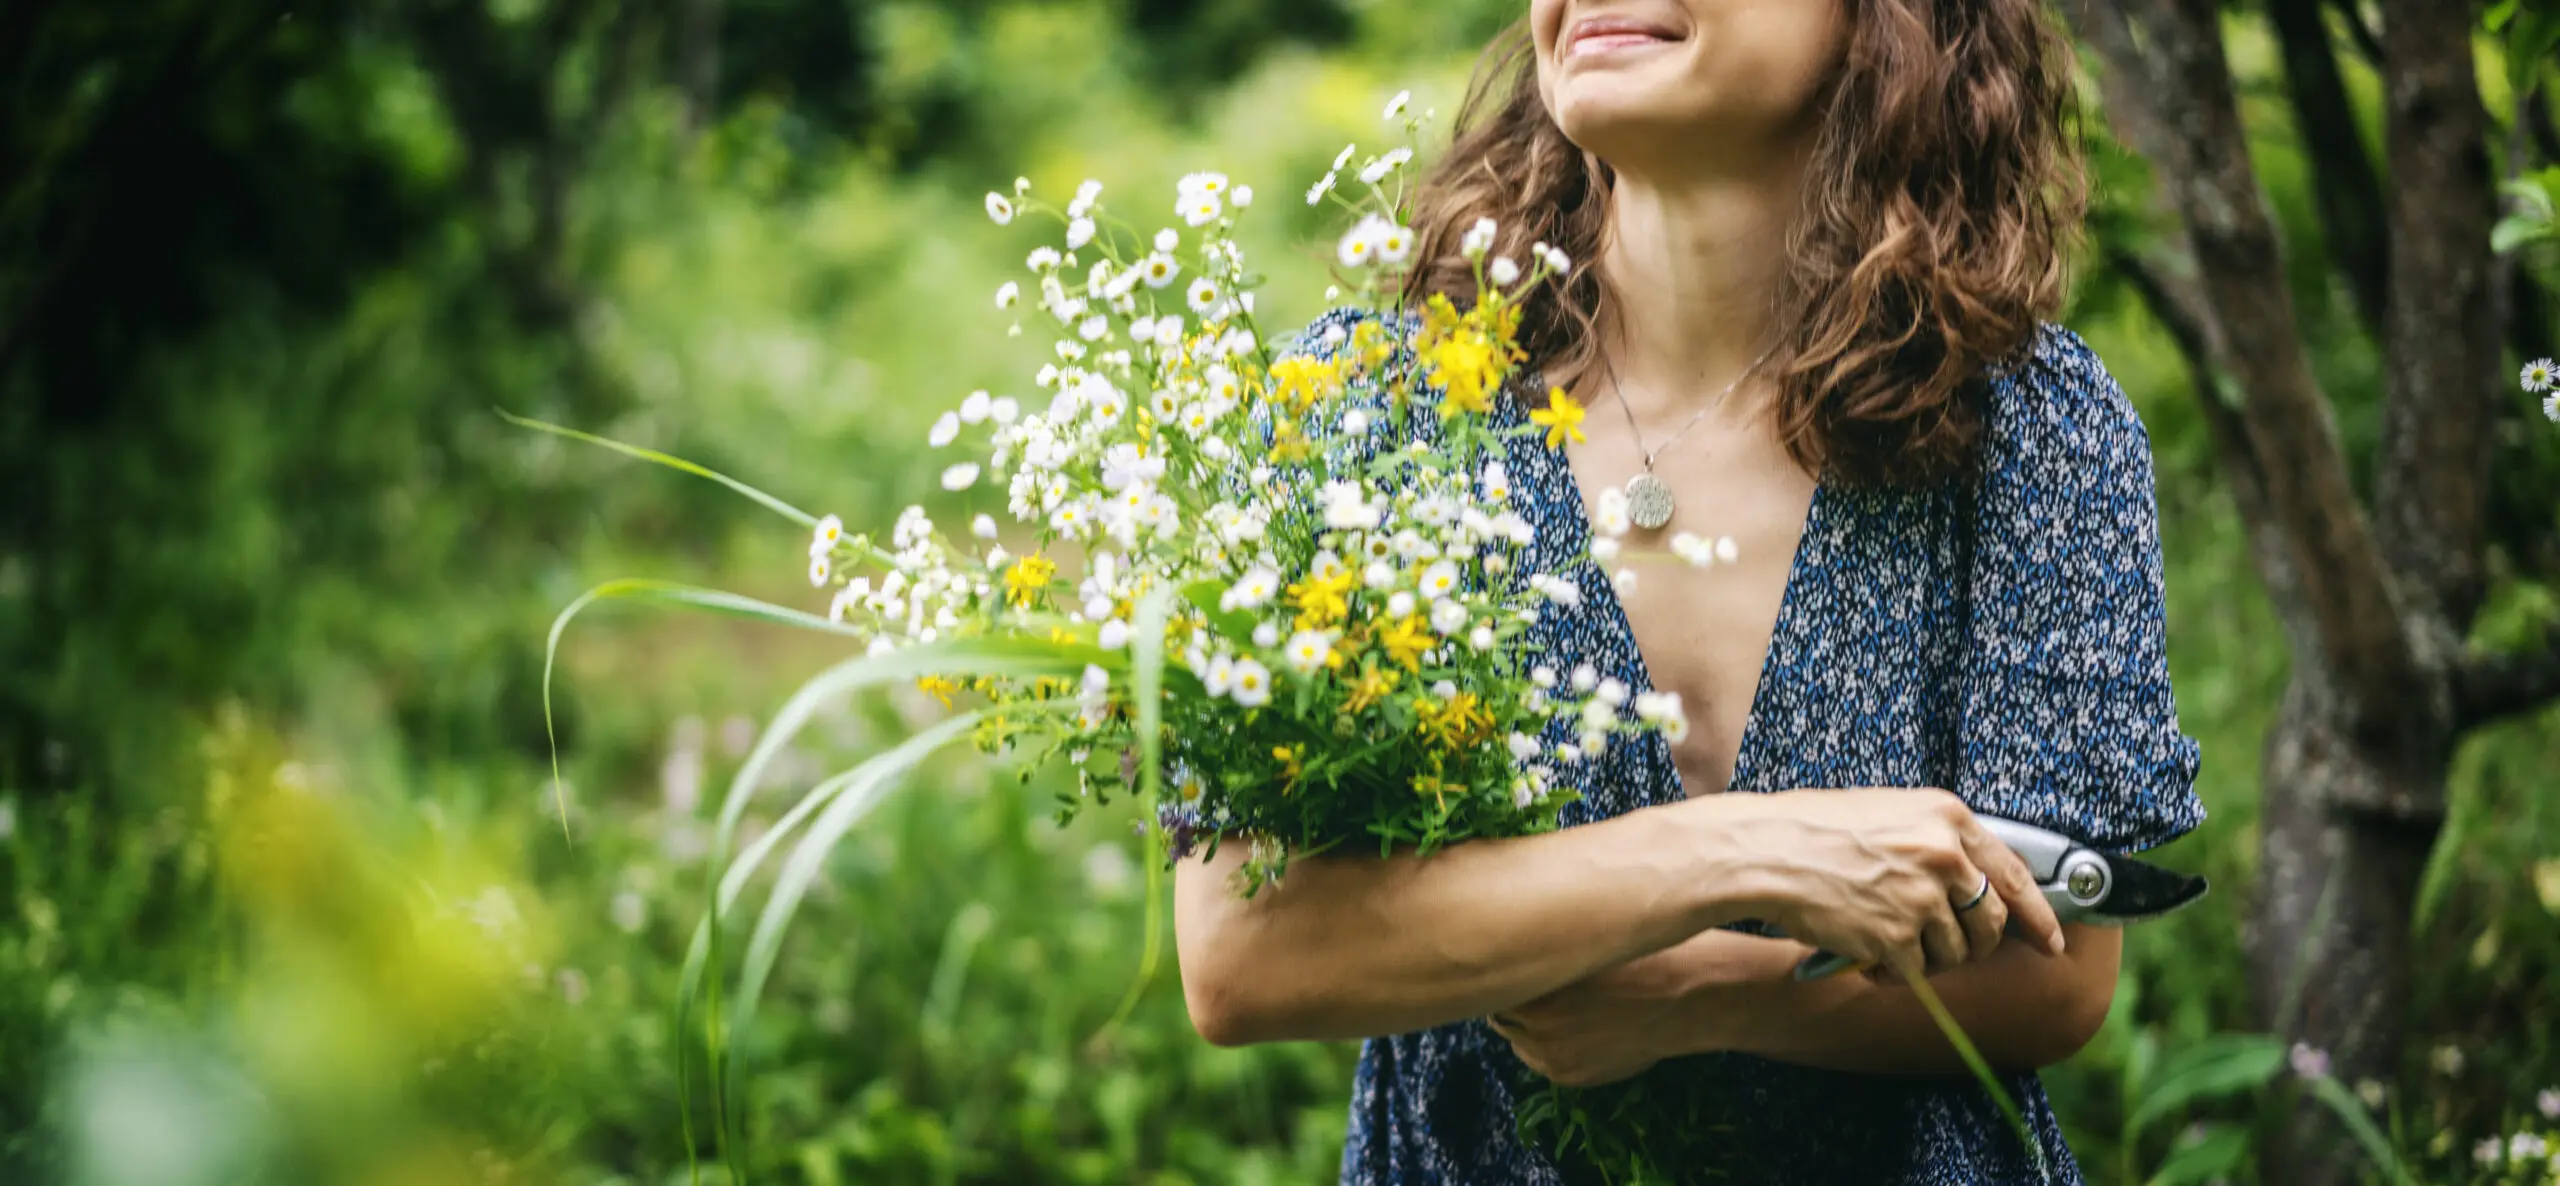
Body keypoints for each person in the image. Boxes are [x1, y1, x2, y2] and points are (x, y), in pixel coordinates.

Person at [1170, 1, 2206, 1182]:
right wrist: (1742, 853)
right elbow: (1243, 953)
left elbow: (2055, 970)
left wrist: (1704, 994)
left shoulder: (2033, 429)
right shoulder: (1367, 416)